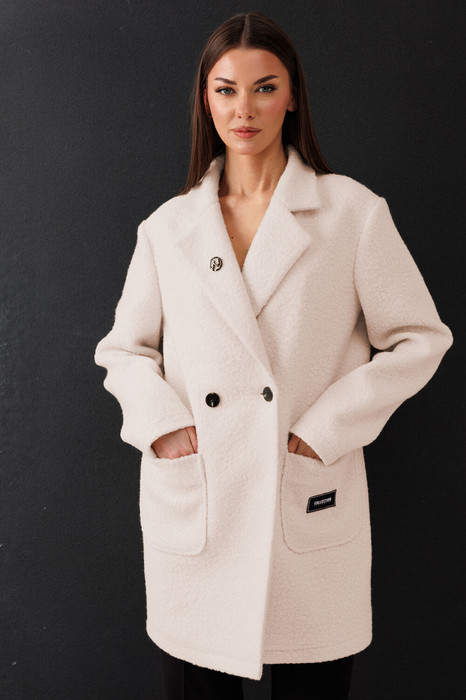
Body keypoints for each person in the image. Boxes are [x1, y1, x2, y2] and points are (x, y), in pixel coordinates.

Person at [94, 11, 453, 700]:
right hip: (201, 502)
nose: (244, 109)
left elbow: (420, 337)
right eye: (226, 89)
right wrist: (165, 428)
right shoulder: (170, 226)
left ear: (292, 97)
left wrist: (324, 432)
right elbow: (124, 349)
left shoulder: (351, 213)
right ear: (206, 99)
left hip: (304, 496)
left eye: (264, 88)